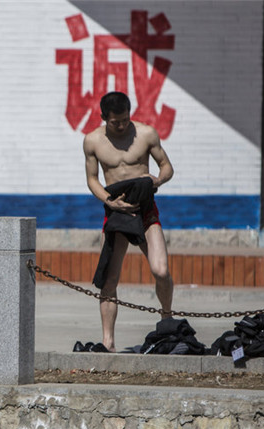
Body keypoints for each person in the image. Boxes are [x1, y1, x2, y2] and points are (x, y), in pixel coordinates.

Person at [83, 91, 174, 352]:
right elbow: (92, 179)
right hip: (116, 209)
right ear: (104, 119)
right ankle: (108, 342)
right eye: (115, 122)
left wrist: (158, 179)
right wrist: (109, 201)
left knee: (161, 270)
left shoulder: (146, 134)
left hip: (144, 207)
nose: (122, 126)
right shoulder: (92, 141)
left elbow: (167, 166)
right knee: (109, 279)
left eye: (125, 120)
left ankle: (166, 318)